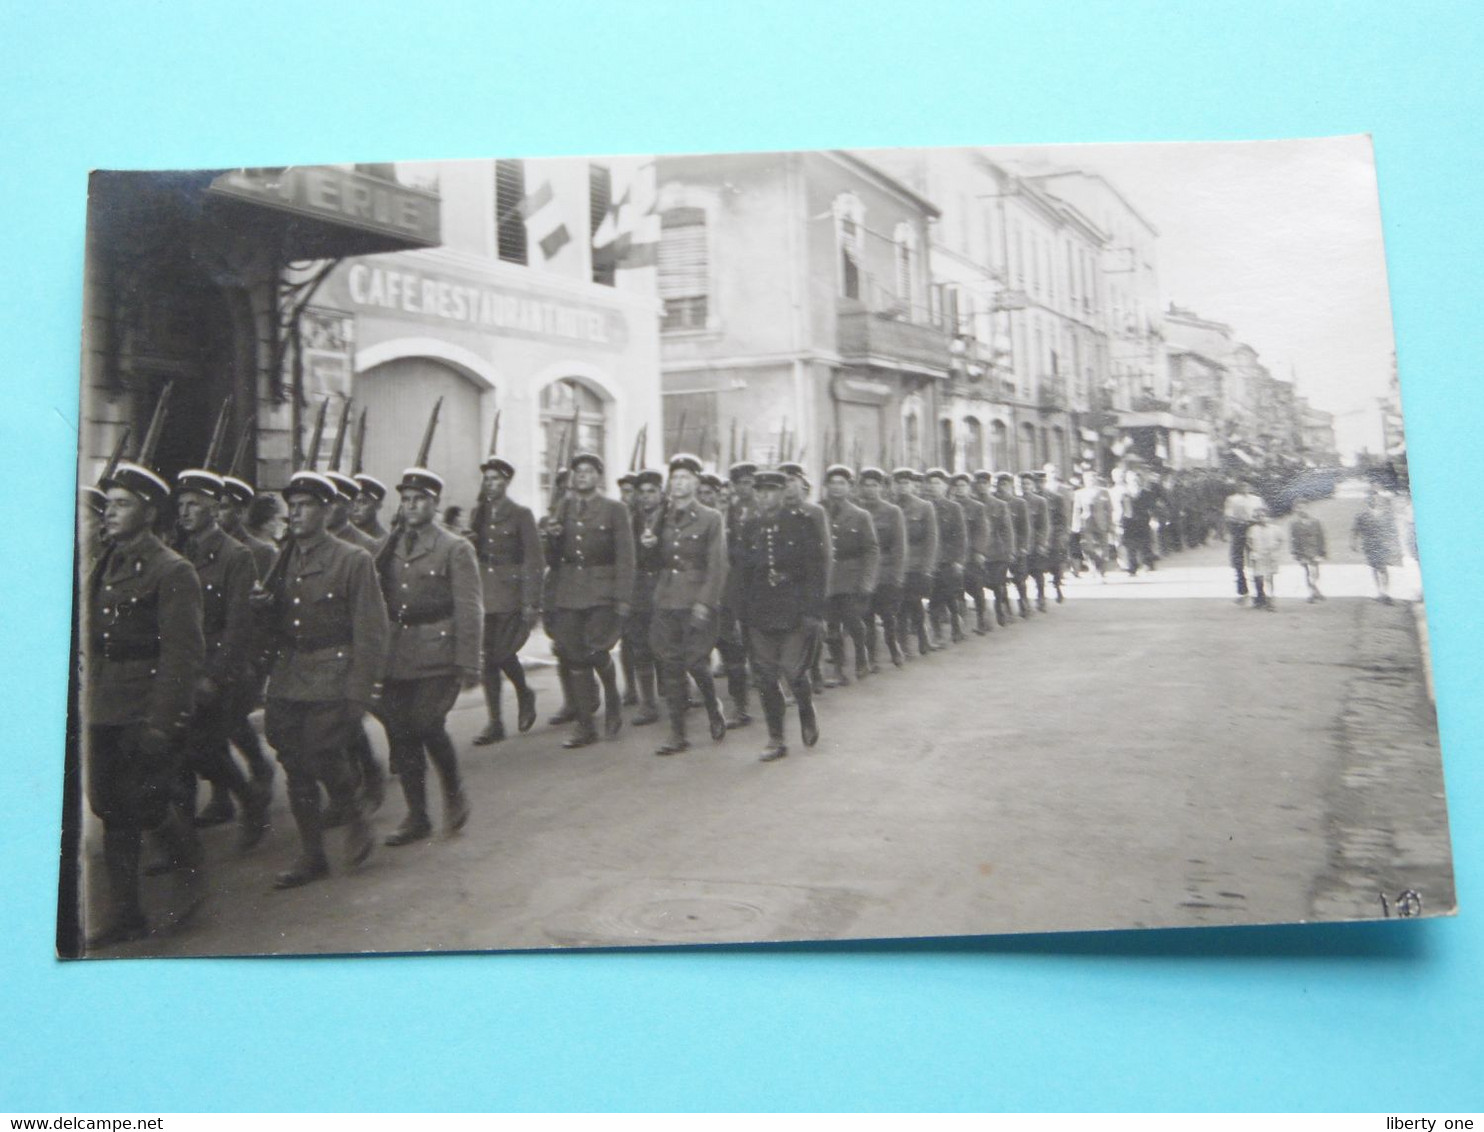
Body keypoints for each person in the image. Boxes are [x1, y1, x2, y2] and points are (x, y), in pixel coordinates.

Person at [84, 462, 206, 948]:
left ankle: (188, 865)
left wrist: (161, 720)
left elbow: (183, 652)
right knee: (109, 806)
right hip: (102, 704)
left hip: (142, 704)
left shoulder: (172, 570)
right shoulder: (102, 562)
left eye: (121, 504)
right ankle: (127, 914)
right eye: (108, 504)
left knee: (143, 803)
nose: (110, 513)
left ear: (149, 512)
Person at [254, 470, 388, 889]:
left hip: (334, 672)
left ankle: (355, 815)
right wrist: (263, 607)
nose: (294, 514)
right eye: (291, 507)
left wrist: (360, 691)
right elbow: (279, 621)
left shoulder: (353, 560)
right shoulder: (284, 557)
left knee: (323, 754)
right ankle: (312, 855)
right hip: (292, 673)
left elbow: (372, 630)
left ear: (328, 510)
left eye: (305, 505)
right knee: (294, 764)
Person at [377, 467, 483, 845]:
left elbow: (469, 607)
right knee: (400, 731)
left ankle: (454, 793)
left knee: (426, 723)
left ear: (435, 503)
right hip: (397, 650)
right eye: (405, 499)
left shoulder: (455, 547)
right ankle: (416, 815)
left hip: (439, 649)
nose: (411, 506)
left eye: (419, 499)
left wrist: (469, 661)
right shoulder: (391, 545)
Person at [172, 469, 269, 847]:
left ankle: (249, 798)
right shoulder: (181, 552)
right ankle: (182, 842)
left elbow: (238, 623)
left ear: (214, 508)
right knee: (179, 752)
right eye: (181, 505)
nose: (185, 511)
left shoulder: (236, 555)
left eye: (193, 504)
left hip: (220, 670)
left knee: (202, 749)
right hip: (184, 668)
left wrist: (215, 676)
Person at [541, 451, 635, 748]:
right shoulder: (562, 508)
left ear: (599, 477)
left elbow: (626, 556)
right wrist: (552, 538)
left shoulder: (614, 509)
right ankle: (585, 725)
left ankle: (611, 696)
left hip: (602, 591)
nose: (582, 475)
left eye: (589, 471)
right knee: (574, 656)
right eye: (578, 471)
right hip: (569, 591)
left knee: (597, 652)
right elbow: (553, 561)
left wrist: (622, 598)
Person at [737, 470, 829, 762]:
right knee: (765, 678)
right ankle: (776, 738)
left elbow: (817, 570)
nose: (764, 496)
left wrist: (814, 611)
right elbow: (740, 574)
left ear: (783, 493)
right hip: (760, 610)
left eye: (771, 491)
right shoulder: (748, 528)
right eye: (759, 491)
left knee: (793, 670)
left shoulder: (803, 524)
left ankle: (805, 707)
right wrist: (739, 614)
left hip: (794, 608)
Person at [649, 454, 729, 755]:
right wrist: (648, 545)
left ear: (696, 482)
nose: (679, 483)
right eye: (675, 478)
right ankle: (677, 732)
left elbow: (717, 565)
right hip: (667, 599)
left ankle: (712, 705)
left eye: (685, 477)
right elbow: (652, 561)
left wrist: (705, 603)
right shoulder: (661, 516)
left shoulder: (711, 517)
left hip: (696, 599)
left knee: (696, 662)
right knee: (670, 665)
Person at [469, 456, 542, 745]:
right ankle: (495, 721)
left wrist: (531, 601)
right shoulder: (478, 513)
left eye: (496, 479)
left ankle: (524, 692)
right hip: (484, 591)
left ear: (507, 482)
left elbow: (533, 559)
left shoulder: (521, 514)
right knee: (488, 657)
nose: (491, 484)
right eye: (487, 479)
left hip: (511, 592)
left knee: (502, 653)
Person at [821, 464, 880, 685]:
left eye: (842, 483)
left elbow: (871, 550)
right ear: (826, 486)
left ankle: (862, 658)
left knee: (853, 622)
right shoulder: (818, 512)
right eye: (832, 483)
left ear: (849, 487)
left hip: (851, 577)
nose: (836, 488)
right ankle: (838, 668)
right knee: (832, 626)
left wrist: (867, 581)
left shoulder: (860, 515)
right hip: (827, 579)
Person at [716, 461, 759, 726]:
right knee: (733, 642)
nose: (747, 487)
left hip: (759, 582)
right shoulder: (728, 511)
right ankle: (740, 706)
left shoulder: (765, 508)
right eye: (741, 483)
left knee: (760, 640)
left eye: (750, 482)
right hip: (734, 582)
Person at [625, 468, 666, 726]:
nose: (646, 497)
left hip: (665, 586)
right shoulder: (632, 520)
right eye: (641, 492)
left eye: (652, 491)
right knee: (640, 647)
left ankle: (676, 692)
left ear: (661, 494)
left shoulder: (672, 518)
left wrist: (658, 545)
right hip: (639, 589)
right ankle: (648, 703)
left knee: (669, 645)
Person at [855, 467, 906, 670]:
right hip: (864, 571)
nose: (870, 490)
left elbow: (899, 546)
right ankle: (872, 656)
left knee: (887, 615)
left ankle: (893, 646)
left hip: (885, 571)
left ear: (882, 488)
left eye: (874, 485)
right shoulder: (857, 511)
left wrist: (897, 574)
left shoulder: (892, 511)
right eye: (866, 485)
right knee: (865, 616)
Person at [893, 468, 939, 655]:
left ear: (913, 485)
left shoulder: (924, 507)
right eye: (899, 483)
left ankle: (922, 637)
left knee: (913, 601)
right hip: (896, 565)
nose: (902, 487)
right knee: (898, 604)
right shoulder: (890, 507)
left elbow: (931, 538)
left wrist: (927, 566)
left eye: (906, 483)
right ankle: (903, 643)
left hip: (915, 563)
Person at [923, 468, 968, 643]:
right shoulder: (924, 506)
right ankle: (937, 633)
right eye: (931, 483)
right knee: (933, 598)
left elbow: (961, 536)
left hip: (948, 560)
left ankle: (957, 627)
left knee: (951, 596)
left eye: (937, 483)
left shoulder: (953, 508)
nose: (933, 487)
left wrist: (958, 560)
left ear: (945, 487)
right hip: (930, 560)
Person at [951, 472, 991, 633]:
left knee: (975, 587)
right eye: (956, 486)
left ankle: (982, 619)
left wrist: (979, 551)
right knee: (955, 590)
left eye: (963, 486)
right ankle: (959, 624)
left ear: (968, 488)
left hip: (971, 554)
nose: (959, 489)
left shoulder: (977, 507)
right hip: (954, 554)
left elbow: (982, 531)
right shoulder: (950, 506)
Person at [975, 471, 1016, 626]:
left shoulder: (1000, 505)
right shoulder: (971, 503)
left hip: (997, 551)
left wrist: (1010, 550)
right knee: (979, 584)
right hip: (978, 550)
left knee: (997, 583)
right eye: (979, 483)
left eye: (985, 483)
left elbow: (1007, 530)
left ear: (990, 485)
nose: (982, 487)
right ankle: (983, 616)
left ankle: (1000, 608)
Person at [1351, 490, 1402, 604]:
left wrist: (1394, 544)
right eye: (1370, 499)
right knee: (1374, 568)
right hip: (1369, 545)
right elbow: (1355, 529)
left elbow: (1393, 530)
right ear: (1367, 501)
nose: (1372, 501)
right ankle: (1379, 592)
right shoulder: (1361, 515)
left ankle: (1386, 593)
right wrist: (1353, 542)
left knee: (1383, 568)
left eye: (1374, 499)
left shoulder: (1386, 514)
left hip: (1384, 545)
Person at [994, 473, 1032, 618]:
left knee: (1019, 578)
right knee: (1000, 580)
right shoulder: (994, 502)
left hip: (1017, 546)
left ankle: (1023, 601)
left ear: (1011, 486)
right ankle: (1006, 606)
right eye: (999, 484)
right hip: (1000, 548)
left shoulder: (1019, 503)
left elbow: (1025, 527)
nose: (1002, 488)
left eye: (1005, 484)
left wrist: (1023, 546)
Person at [1222, 478, 1264, 603]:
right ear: (1238, 486)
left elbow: (1263, 513)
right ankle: (1242, 591)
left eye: (1247, 485)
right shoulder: (1232, 499)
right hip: (1239, 529)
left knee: (1257, 559)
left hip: (1254, 528)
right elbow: (1228, 516)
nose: (1245, 487)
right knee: (1238, 561)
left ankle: (1260, 592)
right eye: (1242, 485)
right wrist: (1238, 522)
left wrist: (1258, 521)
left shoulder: (1257, 499)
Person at [1072, 472, 1114, 581]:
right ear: (1084, 480)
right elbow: (1076, 510)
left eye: (1092, 478)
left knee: (1104, 547)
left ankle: (1101, 571)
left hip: (1101, 522)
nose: (1090, 480)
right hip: (1086, 523)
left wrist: (1110, 524)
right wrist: (1075, 525)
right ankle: (1094, 566)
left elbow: (1109, 510)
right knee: (1088, 548)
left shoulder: (1104, 492)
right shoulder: (1079, 493)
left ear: (1096, 479)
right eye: (1088, 479)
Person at [1245, 505, 1284, 609]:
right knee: (1259, 578)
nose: (1262, 518)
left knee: (1269, 578)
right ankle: (1261, 599)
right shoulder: (1253, 529)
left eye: (1264, 515)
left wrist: (1275, 549)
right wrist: (1253, 551)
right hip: (1259, 557)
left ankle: (1271, 600)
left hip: (1270, 556)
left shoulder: (1275, 529)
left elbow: (1280, 540)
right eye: (1259, 516)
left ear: (1268, 516)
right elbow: (1249, 542)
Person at [1288, 498, 1327, 602]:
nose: (1301, 510)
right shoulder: (1294, 524)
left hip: (1315, 550)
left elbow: (1321, 537)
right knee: (1308, 572)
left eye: (1303, 507)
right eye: (1298, 508)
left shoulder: (1315, 522)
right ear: (1295, 510)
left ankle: (1316, 591)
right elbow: (1294, 540)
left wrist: (1322, 552)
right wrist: (1296, 554)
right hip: (1303, 552)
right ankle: (1312, 594)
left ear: (1308, 508)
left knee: (1316, 573)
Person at [350, 474, 391, 548]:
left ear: (378, 506)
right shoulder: (344, 535)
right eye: (353, 502)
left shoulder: (385, 541)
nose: (355, 508)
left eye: (363, 502)